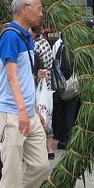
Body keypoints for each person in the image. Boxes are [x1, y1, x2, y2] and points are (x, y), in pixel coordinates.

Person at [0, 0, 49, 188]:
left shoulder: (26, 36)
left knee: (40, 166)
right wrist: (23, 111)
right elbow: (11, 76)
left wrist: (34, 108)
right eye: (37, 7)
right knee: (12, 171)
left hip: (27, 112)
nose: (40, 11)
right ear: (24, 8)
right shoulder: (10, 36)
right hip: (11, 113)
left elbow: (26, 79)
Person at [32, 23, 55, 160]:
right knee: (47, 114)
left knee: (41, 114)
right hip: (47, 83)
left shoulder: (35, 46)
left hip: (39, 83)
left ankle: (40, 148)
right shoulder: (45, 43)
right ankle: (49, 149)